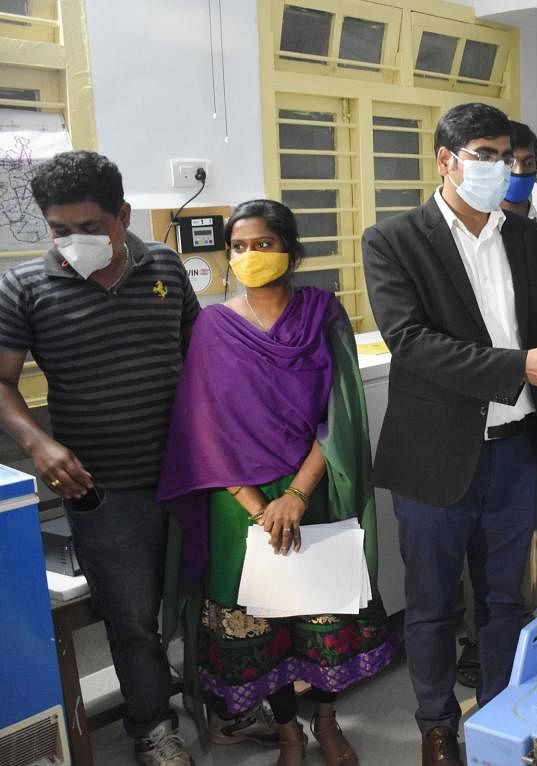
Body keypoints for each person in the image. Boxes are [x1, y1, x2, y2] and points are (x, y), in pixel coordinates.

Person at [361, 103, 537, 766]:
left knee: (504, 601)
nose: (501, 170)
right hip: (435, 457)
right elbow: (411, 342)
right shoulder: (395, 240)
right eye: (485, 156)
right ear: (447, 160)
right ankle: (436, 726)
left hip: (518, 450)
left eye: (509, 159)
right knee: (432, 606)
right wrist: (521, 365)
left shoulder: (531, 240)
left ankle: (495, 717)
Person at [157, 200, 396, 766]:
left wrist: (295, 495)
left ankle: (328, 721)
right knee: (265, 622)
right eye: (238, 247)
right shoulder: (214, 326)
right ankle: (289, 733)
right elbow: (203, 425)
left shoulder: (321, 313)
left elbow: (339, 416)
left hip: (317, 489)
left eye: (262, 244)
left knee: (325, 612)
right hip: (237, 498)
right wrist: (258, 505)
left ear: (290, 249)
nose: (248, 256)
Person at [0, 151, 199, 765]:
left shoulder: (164, 266)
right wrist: (40, 442)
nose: (74, 242)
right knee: (133, 619)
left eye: (90, 227)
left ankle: (229, 702)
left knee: (210, 600)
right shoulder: (25, 286)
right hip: (103, 490)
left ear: (123, 216)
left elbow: (202, 361)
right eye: (60, 230)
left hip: (189, 474)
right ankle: (152, 727)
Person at [456, 120, 537, 687]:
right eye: (500, 161)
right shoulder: (445, 235)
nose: (514, 175)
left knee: (530, 529)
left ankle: (517, 635)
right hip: (468, 416)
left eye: (524, 164)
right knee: (468, 541)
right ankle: (476, 641)